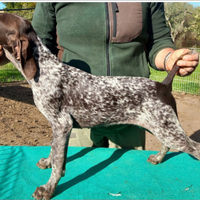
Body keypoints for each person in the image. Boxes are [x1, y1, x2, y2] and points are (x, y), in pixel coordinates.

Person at [0, 2, 199, 150]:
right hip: (74, 113)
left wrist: (170, 58)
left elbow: (158, 41)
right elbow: (35, 45)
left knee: (129, 182)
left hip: (136, 104)